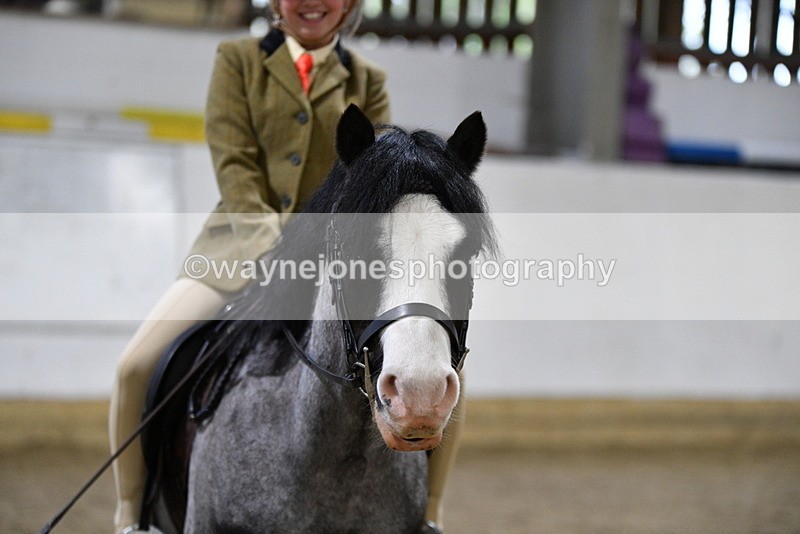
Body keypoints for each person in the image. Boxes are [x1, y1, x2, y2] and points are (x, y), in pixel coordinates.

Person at [109, 1, 461, 532]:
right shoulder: (238, 61)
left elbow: (377, 182)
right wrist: (279, 250)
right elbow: (235, 167)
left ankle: (430, 513)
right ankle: (129, 514)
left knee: (442, 371)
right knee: (135, 366)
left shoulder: (367, 79)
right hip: (236, 254)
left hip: (335, 269)